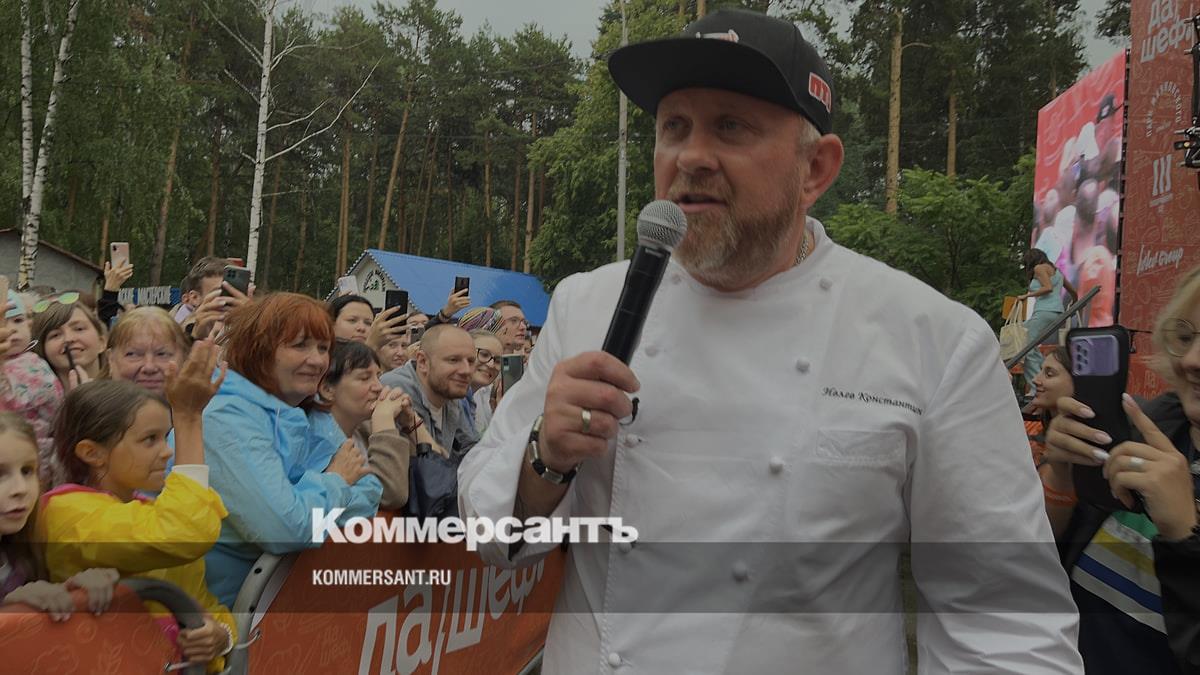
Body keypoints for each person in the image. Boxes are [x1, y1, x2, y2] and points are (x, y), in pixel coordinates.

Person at [458, 10, 1082, 673]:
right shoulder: (586, 304)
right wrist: (546, 458)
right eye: (675, 126)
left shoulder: (933, 339)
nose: (690, 156)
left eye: (730, 126)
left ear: (816, 168)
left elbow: (1003, 626)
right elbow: (487, 530)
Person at [42, 344, 236, 672]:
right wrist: (188, 419)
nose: (167, 451)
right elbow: (184, 533)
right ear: (92, 452)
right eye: (150, 439)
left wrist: (220, 636)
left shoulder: (148, 509)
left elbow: (204, 605)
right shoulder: (66, 513)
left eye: (167, 436)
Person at [1045, 267, 1200, 674]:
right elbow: (1040, 561)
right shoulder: (1141, 434)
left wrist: (1184, 534)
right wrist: (1062, 479)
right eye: (1186, 337)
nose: (1193, 360)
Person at [195, 293, 382, 607]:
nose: (317, 360)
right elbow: (283, 528)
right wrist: (334, 481)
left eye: (323, 348)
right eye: (300, 346)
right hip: (206, 615)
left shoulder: (304, 410)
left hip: (268, 611)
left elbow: (369, 492)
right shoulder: (226, 416)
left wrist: (302, 503)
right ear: (260, 350)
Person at [0, 412, 118, 621]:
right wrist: (10, 610)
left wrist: (70, 592)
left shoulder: (23, 553)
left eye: (27, 471)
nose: (21, 488)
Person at [316, 340, 420, 511]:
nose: (379, 387)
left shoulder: (362, 429)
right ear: (327, 389)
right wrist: (384, 420)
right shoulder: (318, 442)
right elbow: (391, 495)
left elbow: (424, 474)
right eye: (364, 378)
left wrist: (410, 423)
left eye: (378, 376)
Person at [380, 324, 478, 459]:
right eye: (453, 360)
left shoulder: (449, 391)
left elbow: (471, 452)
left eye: (471, 361)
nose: (466, 370)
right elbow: (427, 465)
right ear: (423, 362)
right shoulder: (397, 388)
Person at [1, 292, 63, 481]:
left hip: (38, 458)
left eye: (18, 320)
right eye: (3, 322)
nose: (11, 329)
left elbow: (17, 402)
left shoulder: (33, 363)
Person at [1017, 248, 1078, 388]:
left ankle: (1037, 386)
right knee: (1022, 335)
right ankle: (1044, 370)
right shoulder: (1057, 272)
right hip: (1056, 313)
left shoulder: (1038, 268)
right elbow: (1074, 292)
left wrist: (1027, 295)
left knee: (1025, 347)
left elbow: (1048, 287)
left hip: (1044, 311)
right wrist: (1073, 304)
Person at [104, 307, 190, 395]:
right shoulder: (95, 403)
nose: (149, 367)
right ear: (111, 359)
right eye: (133, 354)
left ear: (185, 358)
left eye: (162, 354)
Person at [31, 294, 106, 392]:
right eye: (55, 335)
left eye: (79, 329)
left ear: (102, 342)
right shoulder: (31, 400)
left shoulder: (124, 394)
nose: (68, 339)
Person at [463, 330, 503, 432]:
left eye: (498, 361)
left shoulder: (468, 402)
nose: (491, 365)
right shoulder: (450, 400)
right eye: (484, 355)